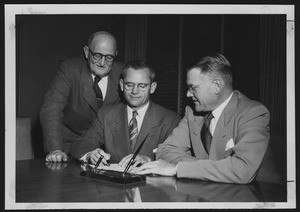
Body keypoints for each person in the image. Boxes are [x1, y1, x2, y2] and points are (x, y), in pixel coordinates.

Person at [136, 53, 279, 184]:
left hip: (257, 197)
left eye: (193, 88)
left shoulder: (253, 113)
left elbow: (242, 170)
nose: (187, 94)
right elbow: (165, 150)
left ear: (216, 86)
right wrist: (215, 169)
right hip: (209, 192)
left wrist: (177, 168)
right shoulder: (192, 113)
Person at [70, 60, 181, 167]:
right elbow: (81, 144)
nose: (134, 91)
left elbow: (179, 157)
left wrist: (149, 160)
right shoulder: (106, 115)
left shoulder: (170, 120)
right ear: (122, 85)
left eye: (142, 86)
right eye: (129, 85)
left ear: (152, 88)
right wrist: (90, 154)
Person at [40, 31, 123, 162]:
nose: (102, 62)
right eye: (97, 55)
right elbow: (51, 110)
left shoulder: (123, 73)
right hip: (69, 146)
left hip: (106, 150)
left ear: (115, 55)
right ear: (86, 52)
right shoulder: (69, 69)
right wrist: (55, 149)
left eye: (109, 57)